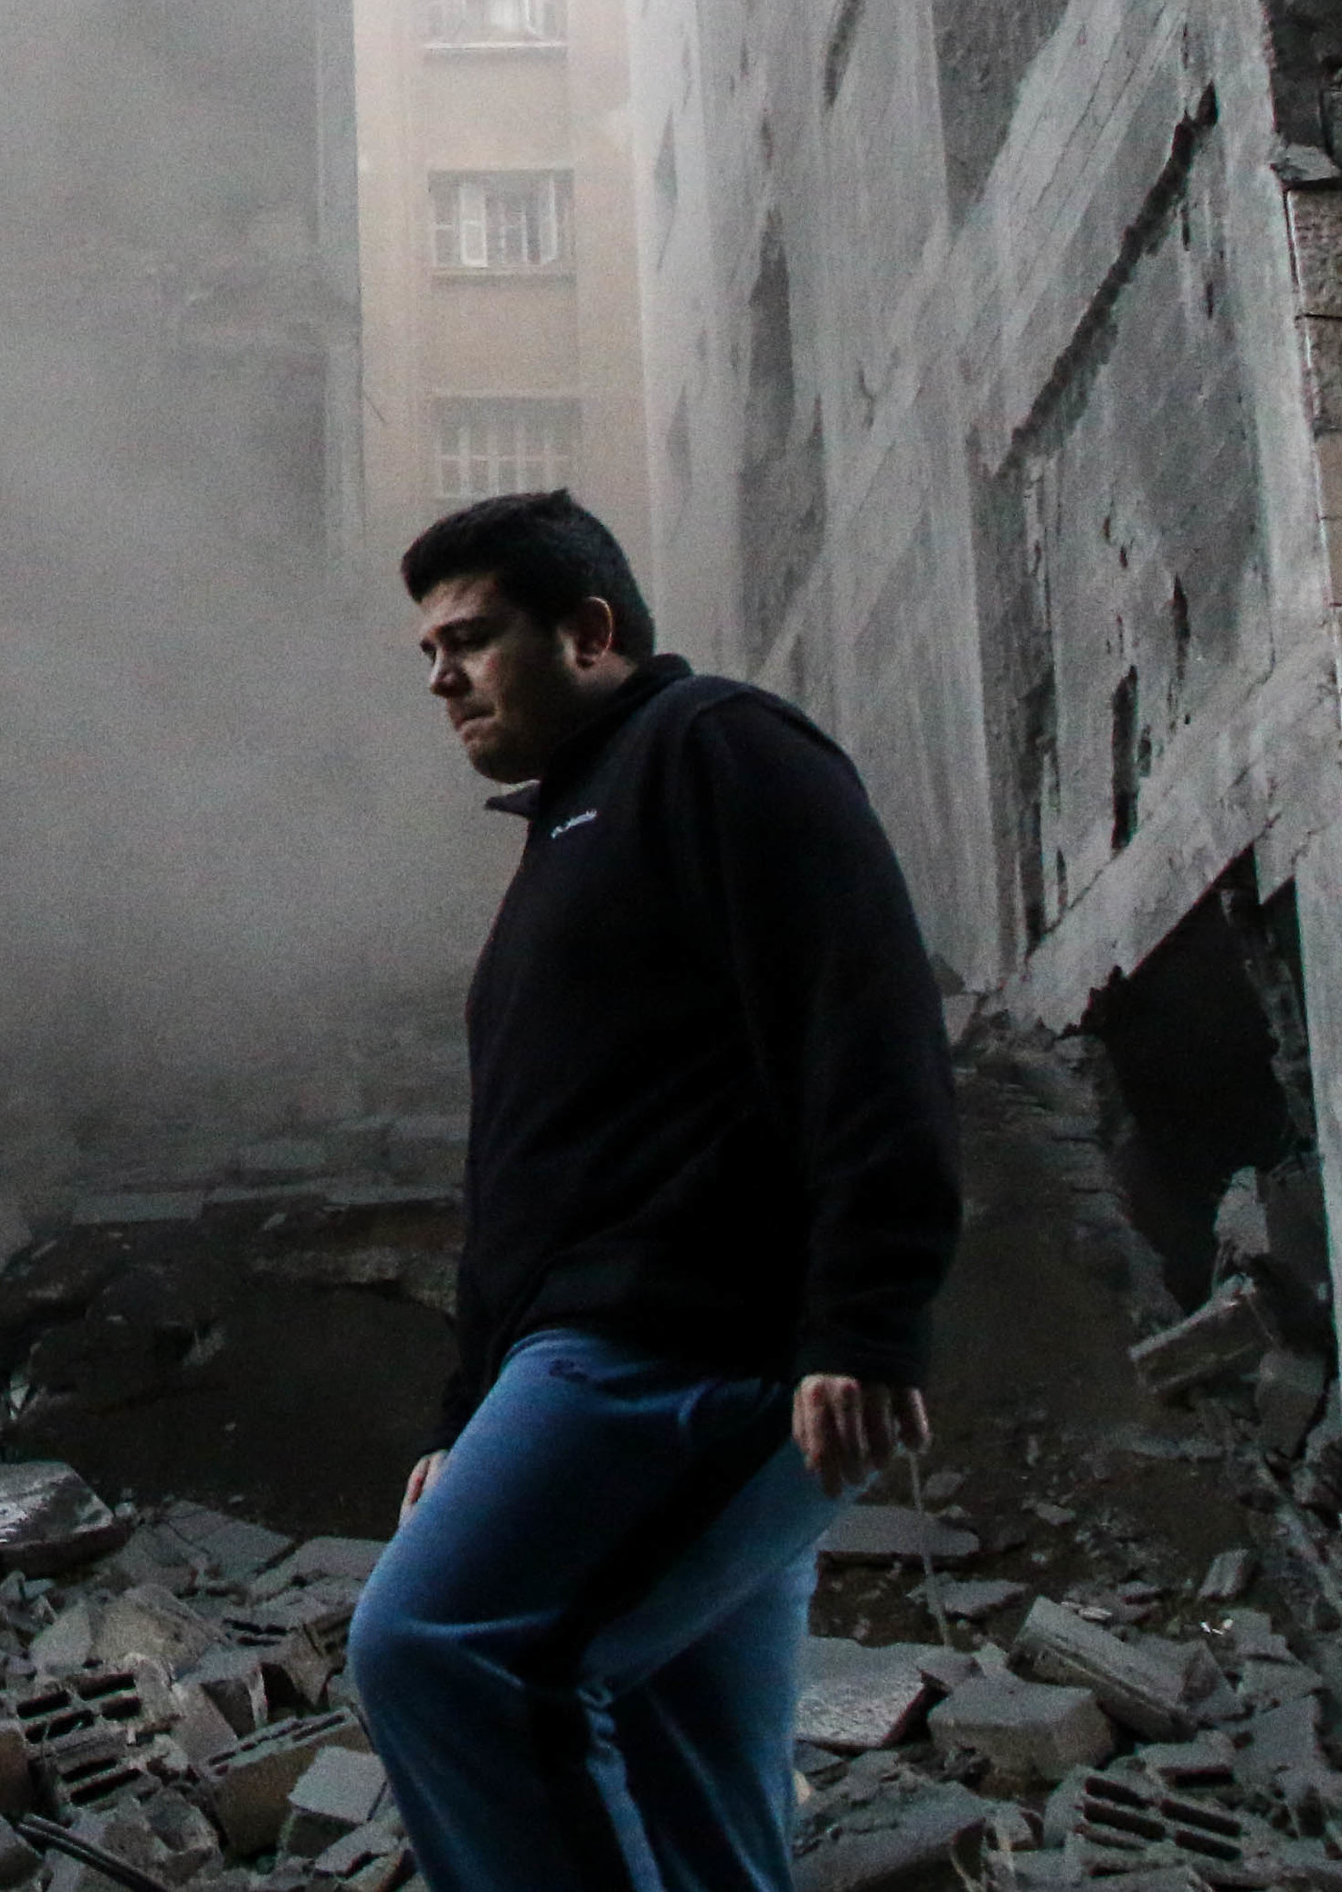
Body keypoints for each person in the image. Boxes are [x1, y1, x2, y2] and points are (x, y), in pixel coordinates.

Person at [346, 490, 959, 1892]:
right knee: (695, 1807)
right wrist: (470, 1408)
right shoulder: (560, 842)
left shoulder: (719, 750)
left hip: (684, 1351)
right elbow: (531, 1167)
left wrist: (864, 1317)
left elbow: (865, 1019)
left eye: (472, 638)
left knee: (442, 1646)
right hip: (601, 1359)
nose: (440, 675)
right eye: (427, 650)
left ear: (591, 630)